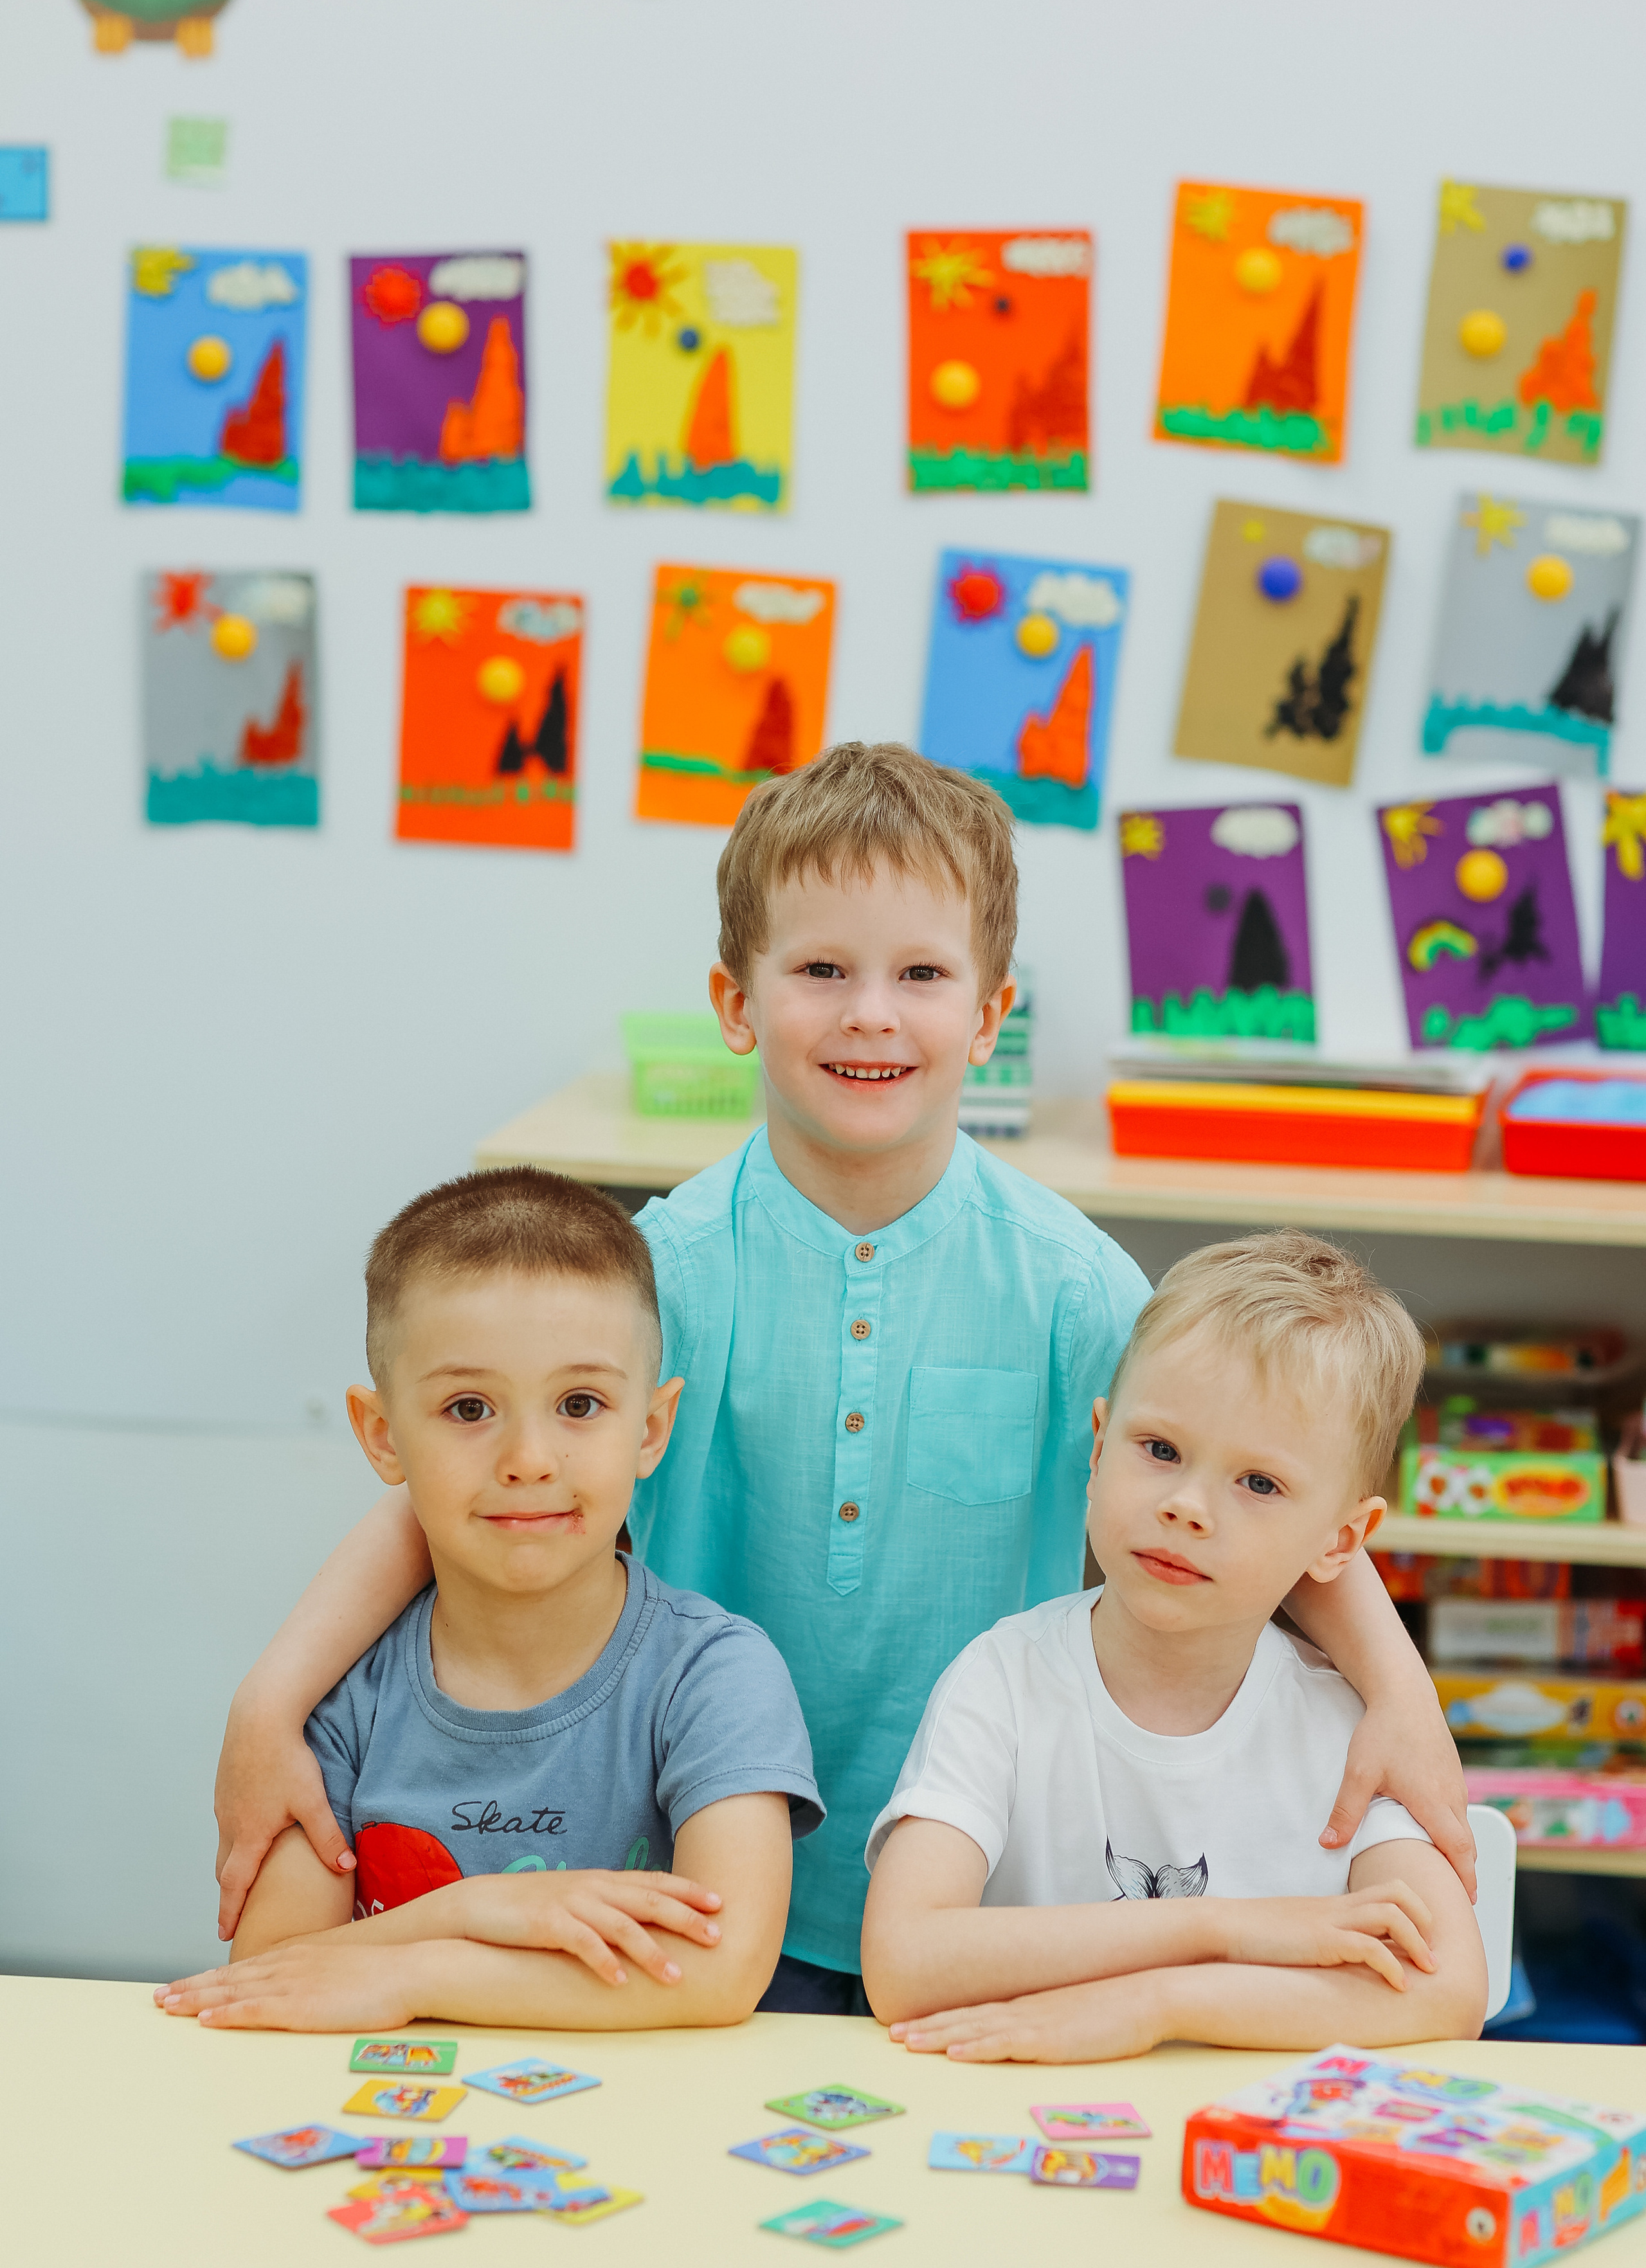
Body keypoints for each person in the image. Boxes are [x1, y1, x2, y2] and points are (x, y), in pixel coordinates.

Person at [208, 744, 1474, 2006]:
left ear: (988, 1015)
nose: (872, 1012)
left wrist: (1398, 1696)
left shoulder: (1074, 1288)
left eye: (921, 974)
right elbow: (460, 1493)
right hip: (683, 1881)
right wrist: (271, 1705)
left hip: (990, 1912)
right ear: (736, 1003)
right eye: (821, 970)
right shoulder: (657, 1277)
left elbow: (1259, 1485)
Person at [109, 1169, 819, 2268]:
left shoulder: (716, 1674)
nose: (529, 1457)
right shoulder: (344, 1691)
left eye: (580, 1405)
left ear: (651, 1427)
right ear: (381, 1435)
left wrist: (404, 1967)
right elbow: (274, 1982)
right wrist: (489, 1911)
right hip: (379, 2162)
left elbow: (718, 1972)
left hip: (638, 2176)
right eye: (468, 1408)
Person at [860, 1230, 1488, 2060]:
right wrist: (1219, 1928)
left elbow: (1451, 1989)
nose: (1187, 1506)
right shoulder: (1003, 1680)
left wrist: (1158, 2003)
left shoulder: (1349, 1729)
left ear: (1341, 1540)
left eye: (1259, 1483)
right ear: (1098, 1447)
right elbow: (902, 1965)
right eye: (1160, 1450)